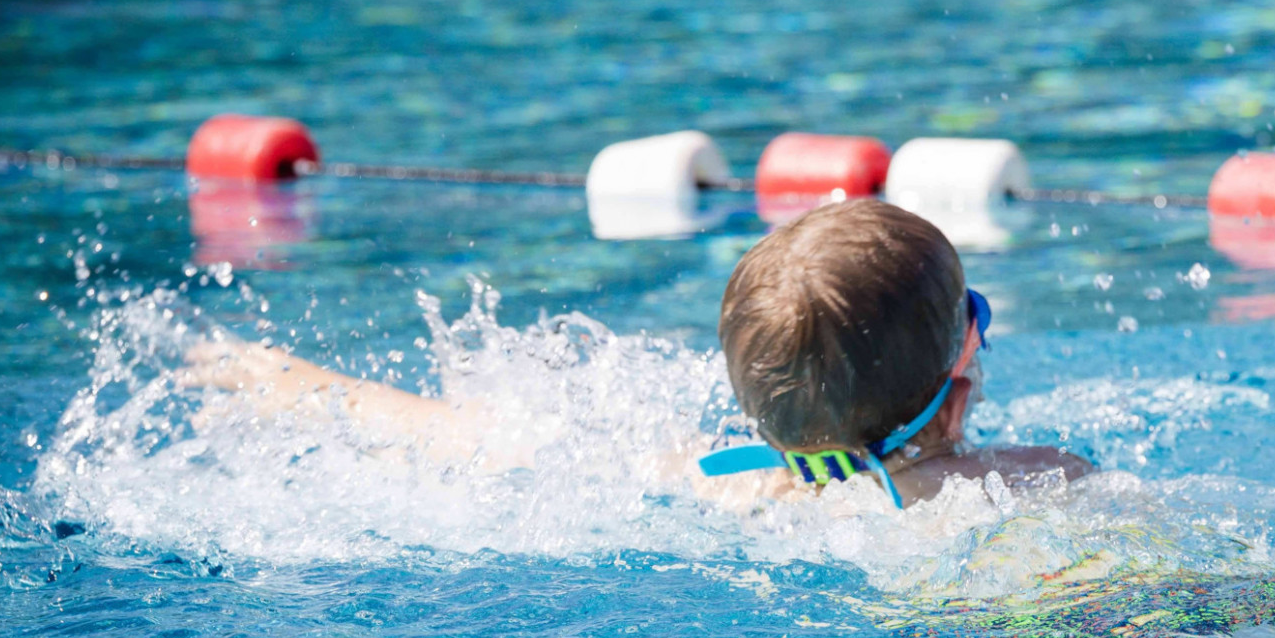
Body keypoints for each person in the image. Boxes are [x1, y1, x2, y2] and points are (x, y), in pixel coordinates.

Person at [180, 199, 1089, 508]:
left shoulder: (709, 480)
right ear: (957, 390)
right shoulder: (1031, 483)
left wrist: (304, 388)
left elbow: (471, 438)